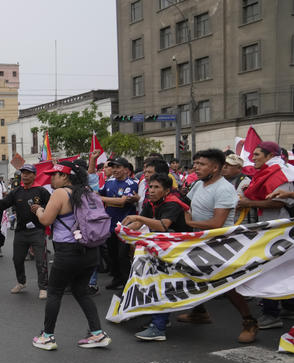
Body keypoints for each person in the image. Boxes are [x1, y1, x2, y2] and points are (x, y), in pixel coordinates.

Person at [178, 149, 258, 343]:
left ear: (215, 167)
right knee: (194, 275)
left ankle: (249, 322)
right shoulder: (198, 184)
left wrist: (190, 224)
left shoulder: (224, 189)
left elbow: (217, 223)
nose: (196, 167)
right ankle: (200, 312)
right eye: (196, 163)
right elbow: (185, 205)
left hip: (220, 244)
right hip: (200, 241)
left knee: (227, 285)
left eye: (201, 164)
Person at [30, 162, 111, 349]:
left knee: (54, 292)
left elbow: (46, 220)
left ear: (65, 176)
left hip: (68, 251)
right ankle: (97, 333)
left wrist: (38, 210)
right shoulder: (88, 191)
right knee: (81, 291)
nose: (51, 179)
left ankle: (47, 336)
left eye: (54, 175)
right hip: (91, 250)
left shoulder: (60, 193)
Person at [123, 173, 190, 341]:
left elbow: (162, 225)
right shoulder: (151, 203)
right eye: (150, 187)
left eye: (156, 187)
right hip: (163, 249)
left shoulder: (173, 204)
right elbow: (139, 224)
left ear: (167, 190)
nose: (151, 191)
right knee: (165, 283)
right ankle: (164, 320)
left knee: (162, 284)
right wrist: (123, 230)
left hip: (179, 250)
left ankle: (159, 327)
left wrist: (137, 217)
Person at [238, 142, 294, 330]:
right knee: (281, 268)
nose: (253, 158)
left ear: (270, 156)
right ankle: (287, 306)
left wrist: (248, 203)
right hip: (272, 228)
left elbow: (278, 203)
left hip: (279, 229)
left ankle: (271, 313)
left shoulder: (279, 173)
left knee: (269, 269)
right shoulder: (271, 171)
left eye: (257, 154)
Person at [0, 164, 50, 299]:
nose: (25, 175)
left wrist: (42, 207)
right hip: (21, 231)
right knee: (17, 259)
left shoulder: (41, 191)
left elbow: (52, 205)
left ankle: (43, 287)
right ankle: (21, 282)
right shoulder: (16, 192)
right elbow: (3, 203)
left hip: (37, 231)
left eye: (28, 173)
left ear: (34, 175)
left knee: (41, 260)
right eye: (23, 173)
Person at [99, 157, 139, 290]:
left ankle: (128, 282)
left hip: (125, 226)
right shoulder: (109, 182)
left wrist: (103, 199)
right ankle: (117, 279)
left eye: (118, 167)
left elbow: (122, 202)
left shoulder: (131, 183)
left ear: (126, 169)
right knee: (112, 254)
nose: (115, 170)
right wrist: (107, 199)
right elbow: (98, 194)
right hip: (110, 225)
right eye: (113, 167)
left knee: (123, 256)